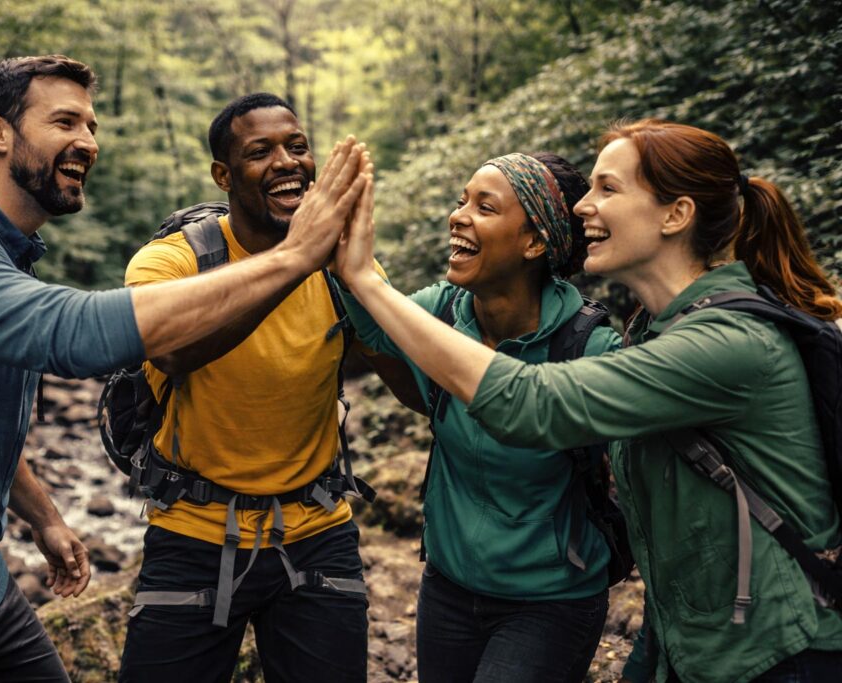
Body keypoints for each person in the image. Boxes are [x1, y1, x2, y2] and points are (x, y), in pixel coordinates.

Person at [0, 57, 368, 683]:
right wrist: (294, 256)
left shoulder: (1, 251)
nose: (88, 142)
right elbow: (75, 335)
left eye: (91, 126)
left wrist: (44, 518)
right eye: (64, 122)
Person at [334, 119, 842, 683]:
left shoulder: (725, 344)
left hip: (782, 651)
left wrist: (366, 280)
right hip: (699, 644)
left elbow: (532, 404)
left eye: (608, 188)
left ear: (675, 215)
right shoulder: (654, 331)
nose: (581, 206)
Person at [118, 93, 376, 683]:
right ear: (223, 175)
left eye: (297, 146)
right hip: (191, 531)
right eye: (260, 152)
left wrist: (358, 273)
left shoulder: (340, 266)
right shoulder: (170, 263)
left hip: (318, 530)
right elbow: (171, 350)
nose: (286, 161)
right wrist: (294, 260)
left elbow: (404, 377)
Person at [337, 152, 620, 682]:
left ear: (534, 243)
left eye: (484, 208)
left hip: (550, 601)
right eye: (461, 201)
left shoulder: (587, 347)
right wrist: (340, 250)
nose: (458, 216)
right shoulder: (445, 310)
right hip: (447, 588)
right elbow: (375, 327)